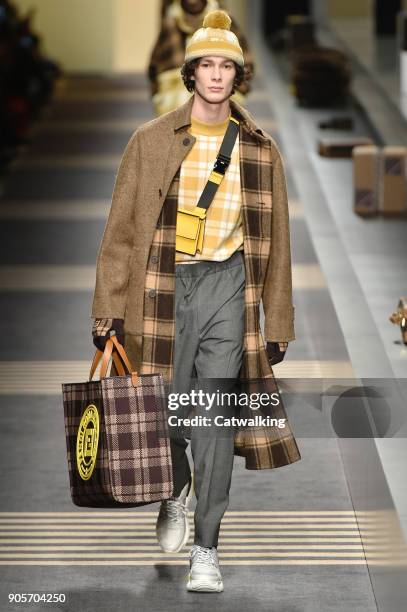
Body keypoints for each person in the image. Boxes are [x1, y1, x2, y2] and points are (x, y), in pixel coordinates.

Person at [92, 9, 299, 593]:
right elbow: (121, 232)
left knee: (211, 419)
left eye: (225, 66)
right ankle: (176, 487)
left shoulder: (260, 151)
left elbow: (277, 244)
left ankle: (206, 546)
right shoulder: (150, 141)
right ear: (190, 73)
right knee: (165, 416)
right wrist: (106, 308)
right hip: (161, 288)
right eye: (206, 65)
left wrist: (276, 319)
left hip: (227, 286)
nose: (215, 75)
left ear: (239, 75)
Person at [147, 0, 255, 115]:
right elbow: (155, 68)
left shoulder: (225, 22)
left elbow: (246, 64)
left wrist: (239, 89)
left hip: (221, 94)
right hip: (174, 99)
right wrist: (161, 93)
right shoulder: (170, 24)